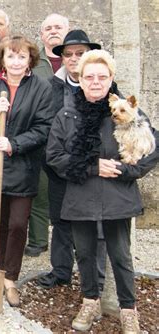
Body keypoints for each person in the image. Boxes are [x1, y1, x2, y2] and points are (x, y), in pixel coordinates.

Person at [46, 49, 158, 333]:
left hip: (117, 196)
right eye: (89, 76)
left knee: (120, 255)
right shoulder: (67, 114)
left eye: (102, 76)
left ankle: (128, 309)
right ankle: (90, 301)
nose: (95, 81)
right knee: (84, 253)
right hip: (80, 195)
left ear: (111, 79)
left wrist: (124, 170)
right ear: (80, 79)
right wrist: (93, 167)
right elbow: (54, 156)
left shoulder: (128, 111)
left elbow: (151, 148)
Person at [0, 35, 53, 306]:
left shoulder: (41, 87)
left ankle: (10, 277)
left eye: (22, 56)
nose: (16, 62)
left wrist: (14, 144)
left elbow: (43, 128)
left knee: (18, 225)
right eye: (11, 56)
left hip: (23, 167)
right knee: (0, 223)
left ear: (30, 60)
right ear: (2, 59)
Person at [37, 29, 108, 289]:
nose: (74, 58)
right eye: (69, 54)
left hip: (93, 171)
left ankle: (95, 279)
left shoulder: (105, 86)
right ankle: (61, 272)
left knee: (95, 226)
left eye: (80, 53)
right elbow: (43, 125)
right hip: (59, 168)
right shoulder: (51, 87)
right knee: (61, 222)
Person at [26, 13, 70, 257]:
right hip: (42, 137)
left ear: (67, 31)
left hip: (70, 140)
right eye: (48, 28)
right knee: (39, 190)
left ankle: (73, 241)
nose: (53, 31)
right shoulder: (34, 62)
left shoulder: (77, 61)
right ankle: (39, 239)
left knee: (71, 193)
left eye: (58, 27)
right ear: (42, 34)